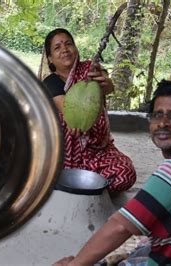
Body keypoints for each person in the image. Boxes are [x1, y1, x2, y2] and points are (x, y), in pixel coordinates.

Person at [54, 77, 171, 265]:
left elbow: (121, 227)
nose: (163, 123)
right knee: (144, 244)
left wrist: (76, 264)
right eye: (157, 115)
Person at [42, 28, 136, 192]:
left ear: (76, 48)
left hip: (98, 150)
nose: (64, 49)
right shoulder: (50, 82)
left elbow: (107, 86)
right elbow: (69, 111)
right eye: (57, 47)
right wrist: (77, 124)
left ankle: (86, 190)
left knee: (126, 173)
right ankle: (87, 188)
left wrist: (105, 84)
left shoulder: (90, 69)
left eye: (68, 44)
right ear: (50, 58)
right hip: (64, 153)